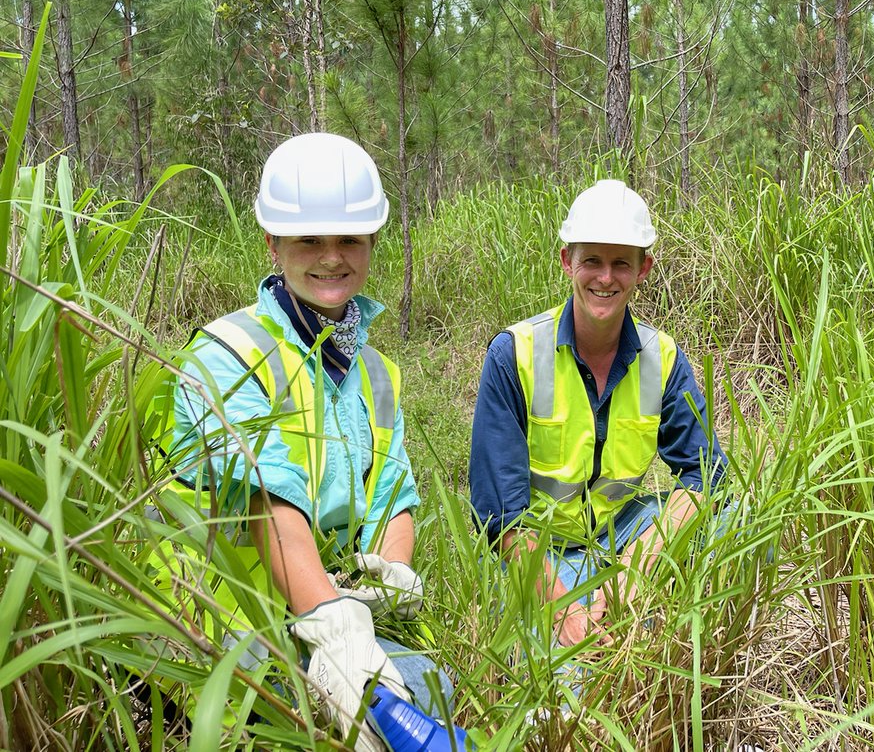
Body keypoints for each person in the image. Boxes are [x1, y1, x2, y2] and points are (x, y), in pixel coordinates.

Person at [162, 133, 450, 750]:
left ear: (372, 243)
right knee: (294, 726)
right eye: (309, 239)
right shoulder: (225, 355)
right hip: (222, 610)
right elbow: (266, 501)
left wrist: (391, 571)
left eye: (349, 239)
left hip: (325, 598)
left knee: (428, 695)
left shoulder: (375, 370)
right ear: (272, 242)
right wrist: (337, 629)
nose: (331, 257)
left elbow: (392, 494)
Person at [469, 179, 727, 647]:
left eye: (620, 263)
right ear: (568, 260)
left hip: (625, 530)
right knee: (560, 664)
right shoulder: (515, 355)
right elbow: (499, 515)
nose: (605, 278)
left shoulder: (662, 357)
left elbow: (706, 472)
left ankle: (685, 641)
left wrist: (645, 558)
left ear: (643, 269)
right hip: (540, 545)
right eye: (592, 260)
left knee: (738, 522)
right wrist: (562, 605)